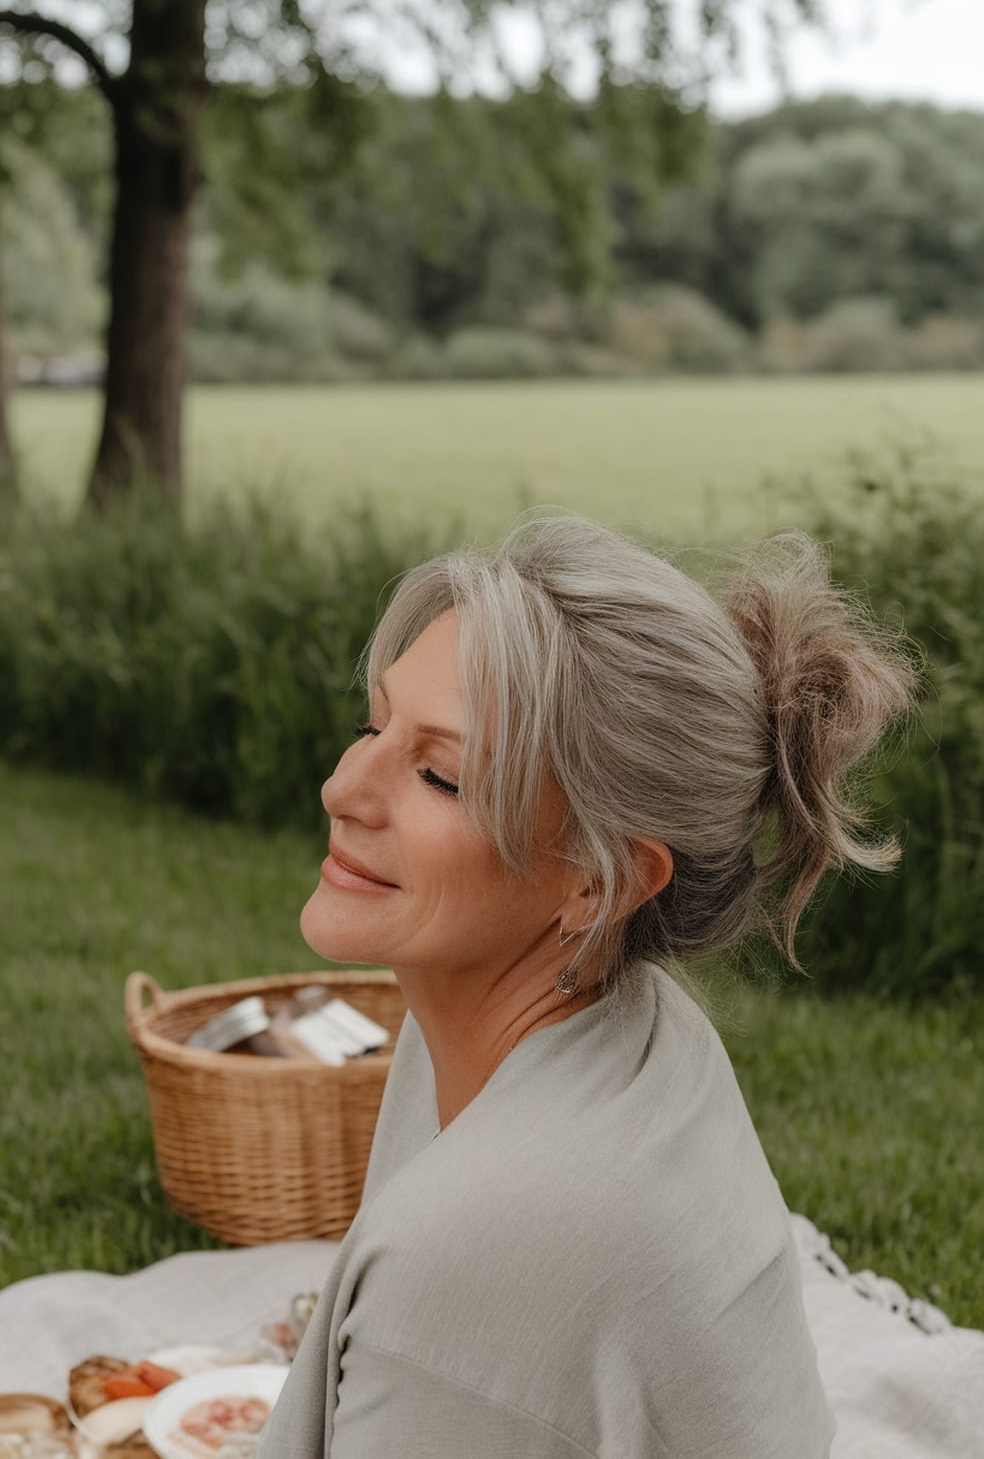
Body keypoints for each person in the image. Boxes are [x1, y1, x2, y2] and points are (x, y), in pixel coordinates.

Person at [259, 513, 915, 1459]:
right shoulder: (642, 1031)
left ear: (596, 882)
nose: (344, 786)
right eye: (374, 723)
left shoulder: (477, 1245)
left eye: (441, 776)